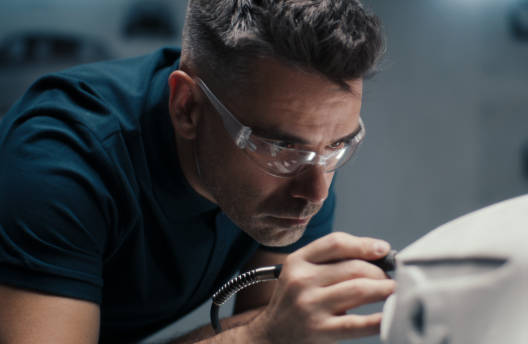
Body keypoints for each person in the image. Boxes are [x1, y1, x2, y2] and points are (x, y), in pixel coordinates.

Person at [0, 0, 394, 343]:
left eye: (339, 145)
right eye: (281, 148)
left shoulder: (307, 164)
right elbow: (267, 332)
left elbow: (281, 329)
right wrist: (261, 336)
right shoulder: (62, 160)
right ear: (187, 106)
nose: (316, 193)